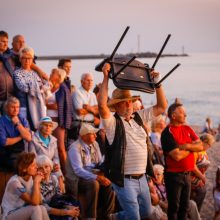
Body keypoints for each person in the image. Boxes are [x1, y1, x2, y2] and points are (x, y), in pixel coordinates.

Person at [98, 62, 168, 220]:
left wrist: (158, 83)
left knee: (147, 213)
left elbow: (162, 106)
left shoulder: (139, 117)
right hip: (124, 179)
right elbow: (102, 106)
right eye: (124, 101)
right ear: (116, 106)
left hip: (143, 177)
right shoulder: (112, 123)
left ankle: (115, 217)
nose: (129, 103)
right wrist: (105, 78)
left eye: (130, 100)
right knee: (134, 217)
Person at [161, 102, 204, 220]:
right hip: (173, 176)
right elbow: (177, 156)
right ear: (173, 115)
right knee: (174, 208)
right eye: (182, 112)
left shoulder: (187, 128)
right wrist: (192, 147)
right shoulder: (167, 133)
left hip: (187, 174)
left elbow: (201, 146)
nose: (185, 115)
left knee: (184, 207)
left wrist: (186, 146)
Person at [65, 123, 115, 220]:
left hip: (92, 175)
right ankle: (90, 217)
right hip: (77, 179)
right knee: (94, 184)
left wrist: (104, 170)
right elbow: (78, 171)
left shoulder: (95, 144)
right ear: (84, 136)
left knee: (109, 182)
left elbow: (100, 162)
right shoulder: (75, 148)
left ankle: (108, 215)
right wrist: (97, 177)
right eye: (93, 133)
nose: (96, 136)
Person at [0, 97, 31, 203]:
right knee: (22, 167)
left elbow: (29, 137)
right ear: (6, 108)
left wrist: (18, 124)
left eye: (17, 107)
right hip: (6, 154)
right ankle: (21, 198)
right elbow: (4, 142)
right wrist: (20, 136)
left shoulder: (21, 118)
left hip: (20, 152)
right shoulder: (2, 121)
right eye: (13, 107)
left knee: (33, 165)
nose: (16, 110)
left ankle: (27, 197)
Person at [1, 152, 49, 220]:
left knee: (42, 208)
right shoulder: (15, 183)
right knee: (35, 209)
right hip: (9, 214)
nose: (37, 167)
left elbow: (39, 201)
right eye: (33, 165)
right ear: (24, 169)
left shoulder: (31, 179)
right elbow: (34, 202)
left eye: (36, 164)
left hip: (21, 211)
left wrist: (37, 183)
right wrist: (36, 182)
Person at [13, 46, 48, 130]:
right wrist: (38, 87)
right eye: (24, 58)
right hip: (24, 107)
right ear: (20, 59)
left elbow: (47, 85)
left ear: (32, 59)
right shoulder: (17, 73)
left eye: (29, 58)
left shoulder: (35, 73)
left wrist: (37, 86)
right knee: (27, 130)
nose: (27, 60)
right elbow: (24, 88)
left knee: (40, 130)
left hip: (39, 106)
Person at [36, 155, 80, 220]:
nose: (44, 170)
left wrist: (69, 207)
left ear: (50, 167)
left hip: (58, 207)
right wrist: (67, 212)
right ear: (37, 170)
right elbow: (45, 208)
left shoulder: (54, 178)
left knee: (74, 210)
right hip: (48, 213)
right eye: (40, 168)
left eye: (46, 167)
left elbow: (60, 199)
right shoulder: (37, 184)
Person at [28, 116, 65, 192]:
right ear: (41, 127)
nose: (48, 127)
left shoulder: (54, 140)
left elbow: (56, 158)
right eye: (45, 125)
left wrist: (57, 168)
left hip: (51, 168)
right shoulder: (33, 139)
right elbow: (33, 158)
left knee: (59, 179)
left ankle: (59, 196)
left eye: (50, 126)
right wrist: (49, 165)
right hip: (39, 169)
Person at [47, 68, 73, 173]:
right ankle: (52, 171)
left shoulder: (63, 89)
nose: (50, 73)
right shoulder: (47, 86)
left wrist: (45, 104)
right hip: (46, 120)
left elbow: (59, 106)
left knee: (61, 148)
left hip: (58, 120)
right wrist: (49, 105)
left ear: (59, 76)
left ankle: (67, 173)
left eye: (53, 73)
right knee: (48, 146)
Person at [190, 133, 215, 211]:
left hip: (198, 176)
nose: (209, 147)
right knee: (201, 191)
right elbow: (192, 166)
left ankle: (195, 212)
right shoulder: (196, 151)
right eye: (209, 145)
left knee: (202, 191)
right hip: (191, 176)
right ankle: (194, 212)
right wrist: (202, 176)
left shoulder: (203, 150)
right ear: (204, 141)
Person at [71, 73, 99, 140]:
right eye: (88, 80)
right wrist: (93, 109)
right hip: (80, 125)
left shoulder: (92, 94)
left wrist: (89, 108)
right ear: (81, 81)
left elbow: (98, 111)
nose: (90, 82)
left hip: (91, 125)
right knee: (79, 146)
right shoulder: (77, 93)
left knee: (90, 146)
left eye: (91, 80)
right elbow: (80, 112)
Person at [0, 31, 16, 114]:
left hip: (10, 99)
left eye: (6, 42)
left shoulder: (11, 56)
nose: (6, 44)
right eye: (2, 41)